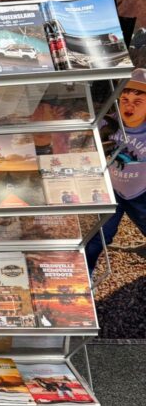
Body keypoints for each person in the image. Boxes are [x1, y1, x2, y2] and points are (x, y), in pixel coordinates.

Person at [86, 67, 146, 270]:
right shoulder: (108, 122)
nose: (129, 107)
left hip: (142, 193)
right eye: (125, 100)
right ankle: (86, 276)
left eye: (138, 103)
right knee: (96, 238)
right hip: (111, 191)